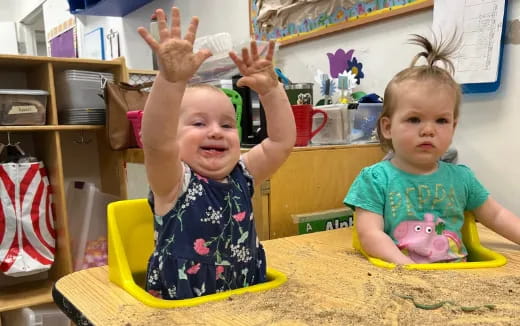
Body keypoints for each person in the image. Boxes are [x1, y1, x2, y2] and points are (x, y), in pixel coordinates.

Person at [137, 7, 296, 299]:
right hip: (184, 305)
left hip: (245, 296)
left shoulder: (243, 175)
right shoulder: (173, 182)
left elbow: (281, 143)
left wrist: (273, 92)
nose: (216, 131)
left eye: (227, 124)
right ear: (174, 136)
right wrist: (170, 81)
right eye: (199, 123)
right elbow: (157, 142)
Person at [344, 34, 520, 265]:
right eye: (415, 119)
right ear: (387, 127)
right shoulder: (375, 179)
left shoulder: (463, 178)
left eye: (441, 121)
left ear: (453, 126)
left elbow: (496, 215)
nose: (428, 130)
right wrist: (408, 268)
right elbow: (369, 234)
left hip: (460, 277)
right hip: (401, 275)